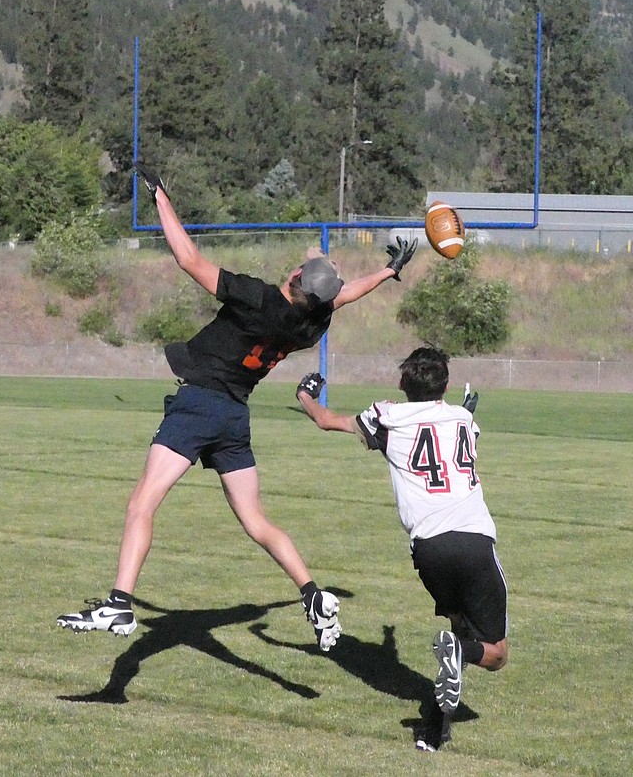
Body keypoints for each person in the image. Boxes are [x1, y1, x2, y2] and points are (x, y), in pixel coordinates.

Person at [57, 162, 416, 651]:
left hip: (200, 404)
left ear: (293, 280)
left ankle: (120, 602)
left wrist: (162, 198)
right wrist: (389, 270)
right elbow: (345, 295)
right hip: (234, 415)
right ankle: (311, 593)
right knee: (256, 521)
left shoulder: (258, 298)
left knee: (142, 503)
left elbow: (188, 260)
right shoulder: (311, 324)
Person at [294, 347, 508, 752]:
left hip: (428, 550)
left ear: (400, 384)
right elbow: (456, 428)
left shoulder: (387, 417)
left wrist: (305, 395)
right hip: (474, 540)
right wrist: (463, 409)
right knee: (495, 654)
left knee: (460, 627)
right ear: (445, 384)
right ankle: (457, 659)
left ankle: (434, 730)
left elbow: (324, 421)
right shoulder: (464, 419)